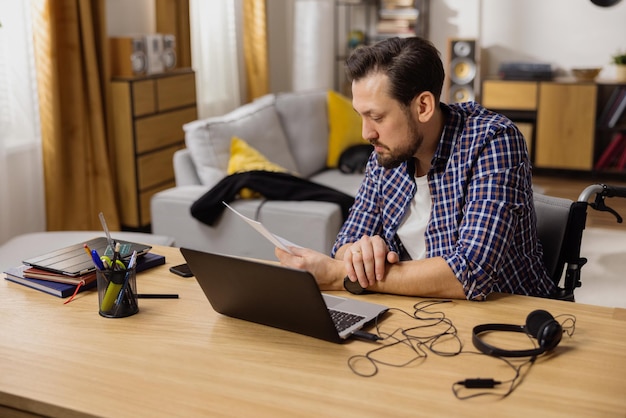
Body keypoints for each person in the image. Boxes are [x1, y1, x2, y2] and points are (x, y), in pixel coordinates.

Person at [275, 37, 555, 301]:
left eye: (376, 117)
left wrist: (341, 276)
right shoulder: (385, 153)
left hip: (510, 320)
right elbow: (345, 243)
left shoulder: (493, 141)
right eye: (361, 116)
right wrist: (360, 254)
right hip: (421, 313)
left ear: (423, 106)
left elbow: (470, 273)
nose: (366, 133)